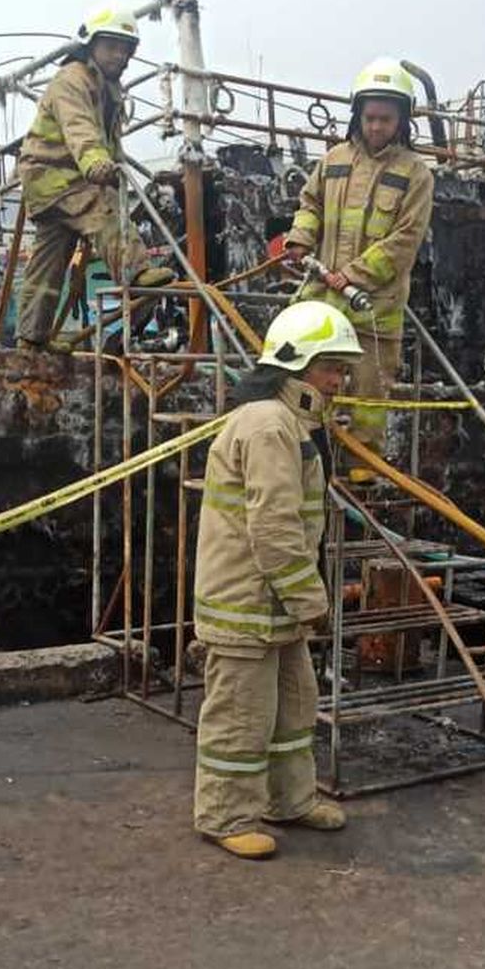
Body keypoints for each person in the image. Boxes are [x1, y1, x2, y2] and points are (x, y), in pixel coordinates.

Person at [193, 300, 363, 860]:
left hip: (275, 604)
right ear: (297, 365)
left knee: (292, 707)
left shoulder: (291, 422)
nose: (339, 380)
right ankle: (225, 815)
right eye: (331, 367)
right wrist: (311, 600)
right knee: (242, 714)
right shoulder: (269, 425)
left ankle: (288, 800)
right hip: (248, 599)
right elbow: (274, 528)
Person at [284, 58, 434, 466]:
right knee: (312, 381)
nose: (376, 127)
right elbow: (310, 203)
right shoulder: (332, 160)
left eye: (385, 119)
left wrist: (352, 275)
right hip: (323, 302)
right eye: (369, 118)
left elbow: (405, 241)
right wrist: (300, 238)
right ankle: (310, 456)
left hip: (375, 309)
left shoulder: (416, 174)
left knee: (370, 392)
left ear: (403, 119)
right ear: (357, 114)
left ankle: (363, 468)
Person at [15, 6, 171, 351]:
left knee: (48, 265)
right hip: (56, 174)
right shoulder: (73, 78)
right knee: (102, 207)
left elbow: (110, 143)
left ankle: (31, 339)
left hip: (58, 181)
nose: (121, 55)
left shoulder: (108, 88)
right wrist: (97, 164)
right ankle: (136, 272)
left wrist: (109, 165)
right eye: (112, 46)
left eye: (126, 48)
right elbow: (79, 128)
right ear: (91, 45)